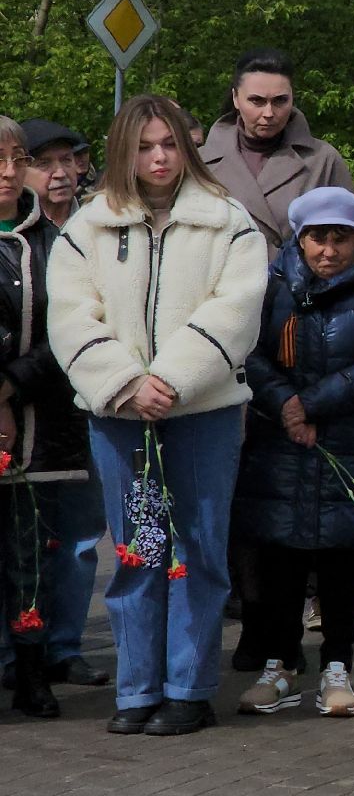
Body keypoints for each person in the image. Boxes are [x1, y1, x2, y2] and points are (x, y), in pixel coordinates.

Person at [47, 95, 269, 737]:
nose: (159, 157)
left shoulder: (228, 221)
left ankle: (189, 687)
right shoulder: (88, 227)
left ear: (187, 147)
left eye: (169, 144)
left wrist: (168, 380)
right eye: (145, 146)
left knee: (197, 549)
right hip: (120, 417)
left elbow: (238, 306)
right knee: (139, 550)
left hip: (202, 414)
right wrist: (123, 383)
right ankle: (138, 686)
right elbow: (70, 315)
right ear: (124, 151)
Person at [232, 188, 354, 719]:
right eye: (316, 238)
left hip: (349, 439)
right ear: (299, 238)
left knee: (341, 559)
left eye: (340, 239)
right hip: (280, 441)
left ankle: (338, 666)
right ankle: (281, 665)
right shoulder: (270, 284)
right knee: (279, 557)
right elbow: (249, 350)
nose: (328, 250)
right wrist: (285, 404)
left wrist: (311, 403)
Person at [7, 118, 109, 694]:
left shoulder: (96, 228)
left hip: (84, 406)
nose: (62, 172)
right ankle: (16, 651)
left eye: (69, 159)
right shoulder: (17, 236)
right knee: (18, 540)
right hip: (22, 411)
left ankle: (65, 648)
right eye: (46, 162)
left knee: (76, 540)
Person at [200, 48, 354, 250]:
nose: (269, 113)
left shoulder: (322, 160)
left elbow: (349, 237)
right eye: (257, 101)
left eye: (280, 100)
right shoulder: (200, 162)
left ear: (292, 98)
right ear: (236, 99)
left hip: (298, 280)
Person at [21, 120, 86, 231]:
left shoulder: (98, 220)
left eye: (66, 160)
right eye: (44, 163)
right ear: (20, 172)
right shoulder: (10, 230)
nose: (60, 174)